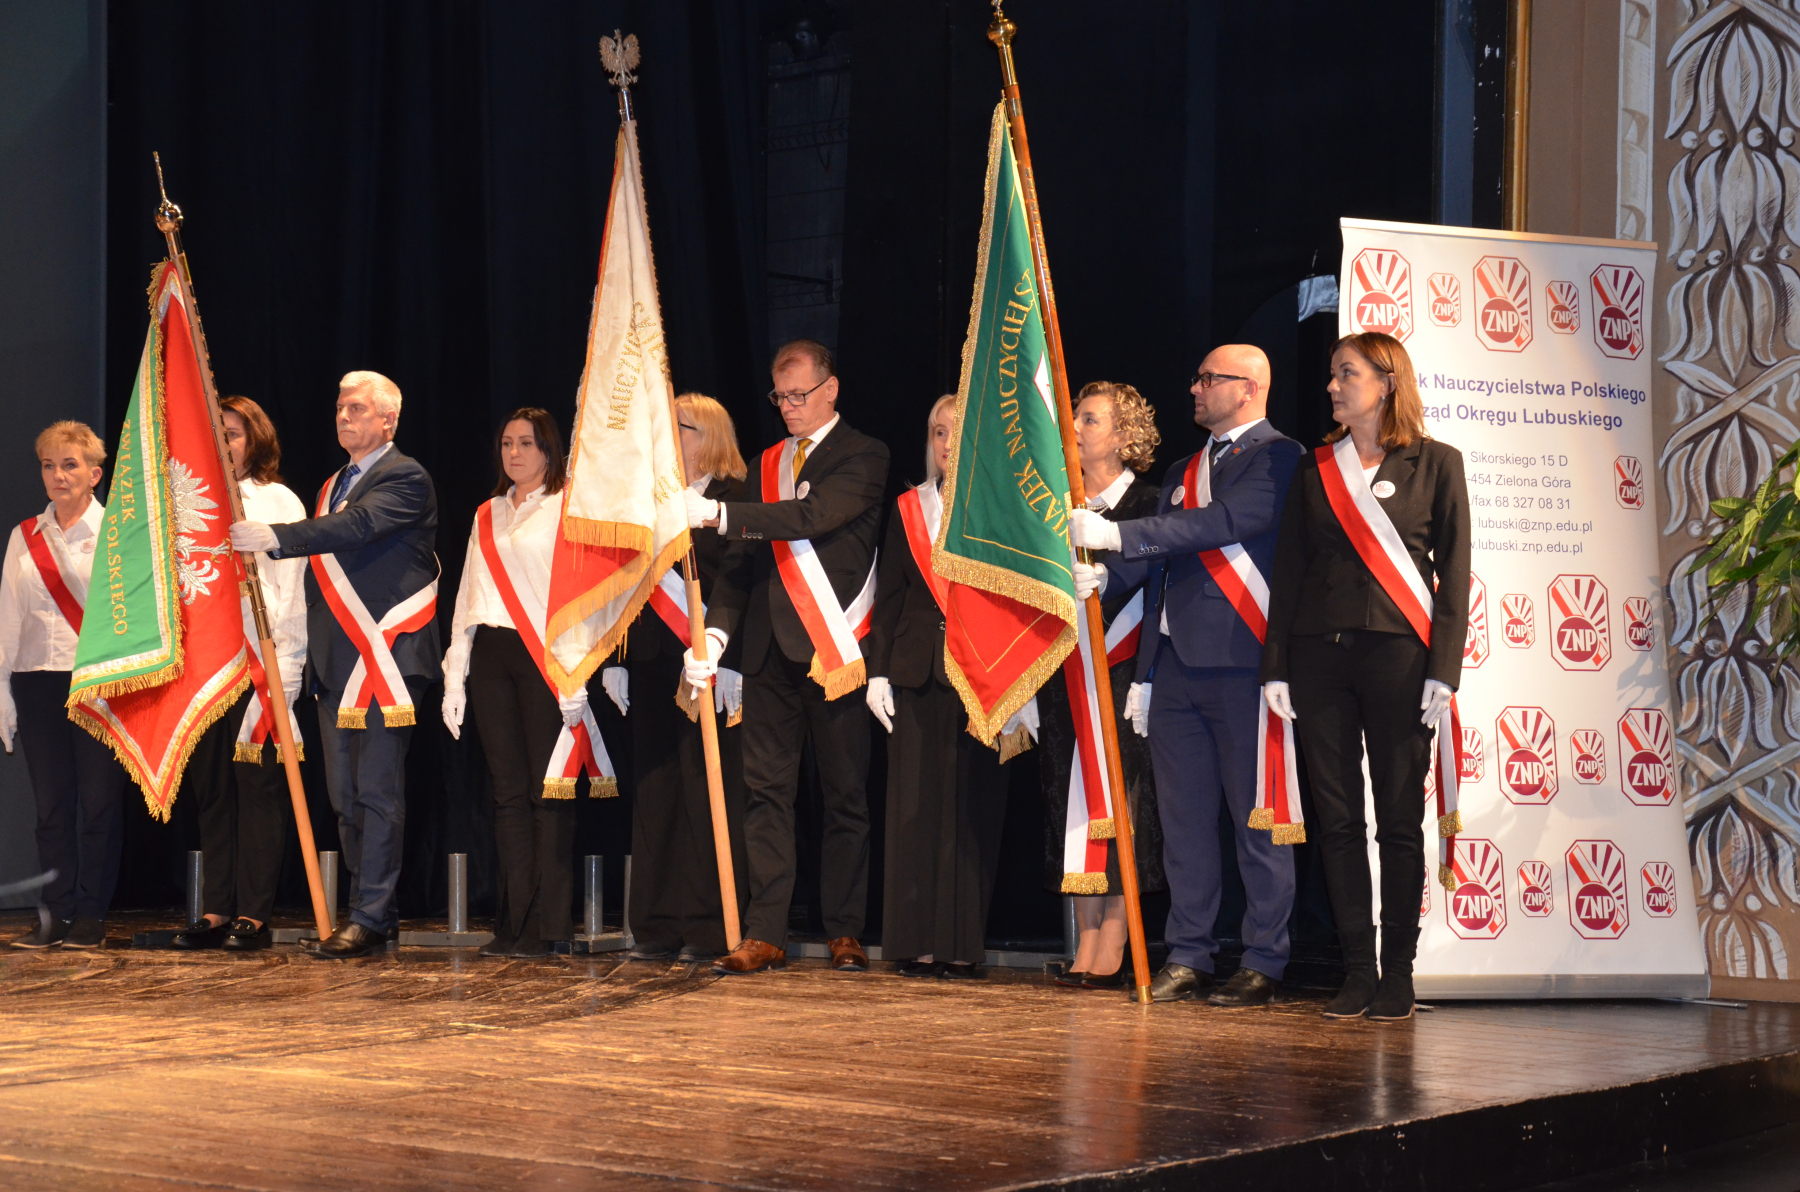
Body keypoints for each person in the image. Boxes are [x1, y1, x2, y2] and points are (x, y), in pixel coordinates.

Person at [1073, 346, 1303, 1006]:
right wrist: (1109, 579)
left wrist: (1120, 537)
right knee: (1183, 824)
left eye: (1209, 379)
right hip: (1175, 668)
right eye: (1197, 377)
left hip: (1244, 665)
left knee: (1257, 823)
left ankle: (1264, 958)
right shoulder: (1183, 469)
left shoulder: (1280, 457)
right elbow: (1163, 566)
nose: (1196, 388)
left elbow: (1224, 522)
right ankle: (1190, 952)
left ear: (1250, 387)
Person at [1261, 331, 1471, 1022]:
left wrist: (1444, 669)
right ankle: (1356, 971)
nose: (1332, 386)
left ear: (1387, 381)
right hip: (1318, 657)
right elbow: (1289, 571)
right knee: (1339, 820)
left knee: (1400, 821)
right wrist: (1276, 666)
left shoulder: (1437, 463)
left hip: (1399, 660)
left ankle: (1398, 974)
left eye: (1346, 373)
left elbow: (1455, 575)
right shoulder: (1316, 467)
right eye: (1332, 374)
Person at [682, 339, 889, 975]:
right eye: (780, 396)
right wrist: (717, 637)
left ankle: (845, 930)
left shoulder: (865, 454)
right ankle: (765, 932)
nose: (789, 406)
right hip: (767, 651)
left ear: (831, 388)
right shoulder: (764, 463)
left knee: (843, 795)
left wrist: (720, 513)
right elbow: (741, 563)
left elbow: (812, 515)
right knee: (765, 794)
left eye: (799, 394)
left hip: (833, 648)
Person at [230, 370, 441, 959]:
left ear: (388, 420)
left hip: (385, 658)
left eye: (358, 409)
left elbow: (359, 526)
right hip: (337, 660)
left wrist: (275, 536)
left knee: (376, 793)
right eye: (341, 407)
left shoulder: (405, 476)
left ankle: (368, 915)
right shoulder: (332, 484)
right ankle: (377, 913)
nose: (344, 417)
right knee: (345, 796)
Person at [1021, 381, 1166, 990]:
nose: (1073, 428)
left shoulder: (1151, 501)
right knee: (1070, 807)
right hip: (1063, 678)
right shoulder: (1054, 503)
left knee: (1124, 808)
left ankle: (1116, 945)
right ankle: (1085, 944)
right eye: (1074, 417)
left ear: (1124, 435)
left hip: (1125, 674)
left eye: (1088, 419)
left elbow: (1157, 579)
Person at [442, 408, 594, 957]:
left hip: (546, 656)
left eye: (527, 443)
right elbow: (467, 593)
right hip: (491, 654)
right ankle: (514, 924)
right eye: (507, 443)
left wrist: (576, 669)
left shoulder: (569, 508)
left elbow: (583, 595)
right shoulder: (487, 513)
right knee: (507, 794)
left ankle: (550, 926)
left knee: (547, 791)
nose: (514, 453)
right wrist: (455, 674)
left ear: (549, 451)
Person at [605, 393, 751, 964]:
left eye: (678, 428)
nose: (666, 438)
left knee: (704, 788)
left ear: (708, 434)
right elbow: (625, 581)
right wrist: (616, 658)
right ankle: (657, 923)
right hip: (651, 658)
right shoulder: (650, 499)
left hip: (707, 659)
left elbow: (740, 579)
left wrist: (730, 655)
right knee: (656, 791)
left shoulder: (734, 496)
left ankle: (709, 925)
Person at [865, 395, 1008, 979]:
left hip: (983, 671)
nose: (946, 443)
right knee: (914, 811)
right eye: (938, 432)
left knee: (970, 811)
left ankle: (960, 945)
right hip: (916, 671)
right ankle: (915, 943)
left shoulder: (1004, 507)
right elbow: (890, 596)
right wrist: (877, 671)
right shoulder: (910, 508)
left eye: (957, 431)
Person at [170, 396, 308, 952]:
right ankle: (215, 908)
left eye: (232, 433)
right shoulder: (186, 502)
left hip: (259, 664)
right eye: (216, 432)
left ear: (254, 440)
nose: (224, 442)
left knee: (258, 789)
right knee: (212, 792)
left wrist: (289, 664)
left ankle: (253, 912)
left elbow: (292, 590)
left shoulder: (278, 500)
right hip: (206, 666)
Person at [0, 422, 126, 949]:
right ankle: (56, 913)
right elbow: (9, 617)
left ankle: (91, 913)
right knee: (51, 809)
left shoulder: (118, 533)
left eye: (70, 464)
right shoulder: (25, 535)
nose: (58, 474)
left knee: (98, 804)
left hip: (97, 682)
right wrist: (3, 691)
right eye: (49, 465)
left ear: (95, 474)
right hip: (36, 682)